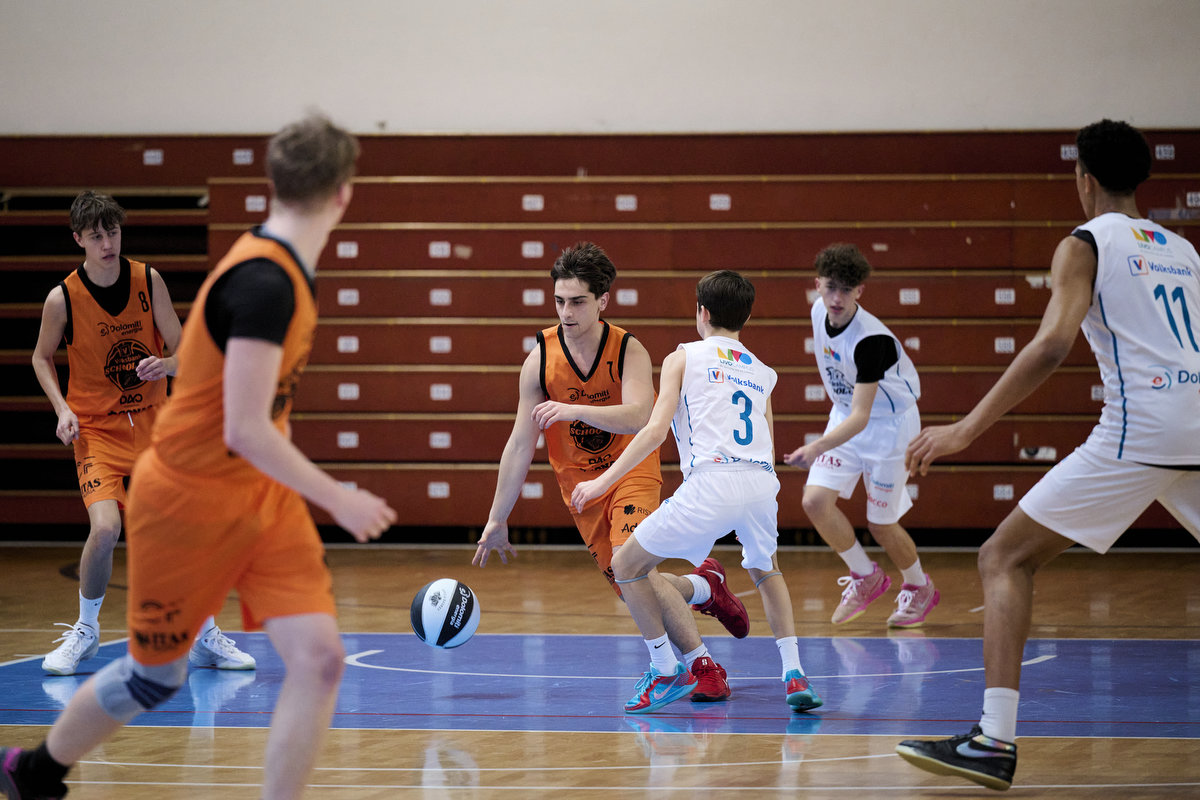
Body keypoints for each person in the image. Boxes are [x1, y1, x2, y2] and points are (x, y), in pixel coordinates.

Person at [1, 113, 397, 800]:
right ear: (343, 195)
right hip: (187, 495)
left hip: (258, 496)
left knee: (320, 658)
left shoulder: (276, 269)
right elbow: (245, 428)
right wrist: (338, 496)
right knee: (158, 676)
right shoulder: (265, 283)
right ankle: (35, 771)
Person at [896, 119, 1200, 791]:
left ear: (1083, 178)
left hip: (1142, 430)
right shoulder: (1182, 249)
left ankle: (992, 740)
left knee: (1003, 557)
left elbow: (1051, 345)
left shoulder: (1084, 242)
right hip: (1197, 425)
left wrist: (965, 429)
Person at [472, 242, 745, 704]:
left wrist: (570, 406)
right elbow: (520, 443)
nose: (566, 311)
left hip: (632, 471)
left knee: (629, 563)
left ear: (602, 300)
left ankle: (695, 666)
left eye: (577, 301)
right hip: (582, 486)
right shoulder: (540, 358)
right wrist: (498, 517)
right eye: (559, 300)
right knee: (632, 585)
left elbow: (641, 415)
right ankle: (703, 586)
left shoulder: (628, 348)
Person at [572, 270, 823, 714]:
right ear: (745, 317)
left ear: (702, 312)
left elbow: (652, 431)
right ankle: (794, 673)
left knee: (627, 564)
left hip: (713, 481)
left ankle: (666, 668)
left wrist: (601, 481)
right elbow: (765, 436)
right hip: (762, 482)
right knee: (767, 572)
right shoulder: (764, 372)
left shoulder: (683, 357)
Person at [30, 191, 254, 676]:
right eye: (95, 236)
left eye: (112, 232)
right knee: (107, 529)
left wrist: (167, 365)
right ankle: (87, 631)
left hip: (156, 425)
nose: (107, 243)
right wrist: (61, 408)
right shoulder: (62, 298)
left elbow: (185, 349)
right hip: (97, 432)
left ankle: (203, 634)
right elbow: (40, 357)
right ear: (79, 240)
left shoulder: (147, 280)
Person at [783, 243, 938, 628]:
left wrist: (816, 446)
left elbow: (863, 415)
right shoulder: (818, 311)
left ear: (859, 292)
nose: (837, 298)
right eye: (831, 287)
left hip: (888, 427)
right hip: (846, 416)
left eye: (847, 290)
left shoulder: (872, 342)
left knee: (880, 523)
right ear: (817, 284)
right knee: (815, 502)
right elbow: (851, 411)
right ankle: (865, 576)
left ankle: (920, 587)